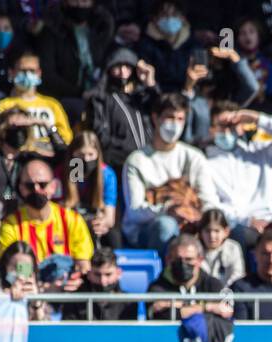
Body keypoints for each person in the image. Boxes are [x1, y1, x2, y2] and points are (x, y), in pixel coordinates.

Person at [122, 91, 217, 251]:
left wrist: (199, 217)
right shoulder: (137, 160)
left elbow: (209, 200)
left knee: (220, 228)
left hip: (190, 224)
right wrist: (168, 209)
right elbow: (134, 212)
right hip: (146, 232)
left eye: (180, 119)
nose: (175, 124)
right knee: (166, 225)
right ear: (155, 118)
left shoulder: (194, 156)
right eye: (169, 117)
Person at [205, 101, 272, 247]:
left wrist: (258, 119)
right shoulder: (205, 162)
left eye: (232, 125)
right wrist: (248, 221)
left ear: (241, 127)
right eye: (222, 126)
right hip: (239, 228)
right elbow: (212, 204)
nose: (227, 131)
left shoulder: (260, 151)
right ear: (211, 130)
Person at [0, 156, 94, 273]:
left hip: (65, 285)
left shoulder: (72, 220)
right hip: (28, 285)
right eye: (30, 186)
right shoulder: (10, 225)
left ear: (53, 187)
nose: (36, 189)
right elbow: (10, 268)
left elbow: (83, 264)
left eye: (42, 184)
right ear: (21, 188)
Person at [84, 47, 156, 173]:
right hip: (118, 165)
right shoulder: (101, 98)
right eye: (117, 67)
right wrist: (124, 149)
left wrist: (149, 83)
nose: (123, 73)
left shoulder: (142, 96)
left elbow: (162, 110)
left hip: (150, 161)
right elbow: (100, 133)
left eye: (128, 67)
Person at [34, 0, 114, 110]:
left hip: (99, 94)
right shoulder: (51, 32)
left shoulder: (101, 30)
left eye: (84, 1)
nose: (80, 5)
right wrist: (80, 93)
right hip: (65, 98)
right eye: (75, 1)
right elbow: (48, 75)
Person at [0, 52, 72, 154]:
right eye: (23, 71)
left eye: (32, 71)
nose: (27, 74)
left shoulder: (52, 104)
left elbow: (66, 138)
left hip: (51, 154)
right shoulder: (4, 105)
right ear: (12, 72)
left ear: (39, 73)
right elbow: (0, 136)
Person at [147, 232, 229, 320]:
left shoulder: (213, 285)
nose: (183, 264)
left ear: (199, 260)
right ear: (168, 259)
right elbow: (163, 316)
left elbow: (225, 312)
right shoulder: (157, 288)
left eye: (189, 259)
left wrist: (174, 305)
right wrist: (207, 307)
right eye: (178, 259)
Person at [59, 130, 120, 249]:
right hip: (70, 222)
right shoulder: (62, 173)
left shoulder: (107, 175)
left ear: (98, 154)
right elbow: (58, 208)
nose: (86, 159)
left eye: (90, 154)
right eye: (80, 155)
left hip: (95, 221)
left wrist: (103, 223)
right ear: (72, 154)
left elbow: (110, 216)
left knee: (113, 236)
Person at [231, 229, 272, 321]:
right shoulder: (240, 288)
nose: (271, 260)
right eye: (265, 254)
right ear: (255, 255)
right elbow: (242, 330)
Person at [62, 246, 131, 321]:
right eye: (97, 275)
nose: (102, 281)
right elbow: (69, 331)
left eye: (108, 274)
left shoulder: (128, 303)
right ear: (88, 274)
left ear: (119, 273)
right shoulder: (73, 301)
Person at [0, 239, 51, 322]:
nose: (20, 274)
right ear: (5, 265)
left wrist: (36, 304)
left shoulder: (39, 292)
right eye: (15, 267)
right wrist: (6, 297)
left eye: (25, 268)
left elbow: (46, 330)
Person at [198, 207, 244, 285]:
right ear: (201, 232)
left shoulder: (233, 248)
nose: (212, 236)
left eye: (217, 231)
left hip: (227, 293)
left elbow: (237, 275)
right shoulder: (195, 249)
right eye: (207, 231)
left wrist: (224, 292)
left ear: (226, 232)